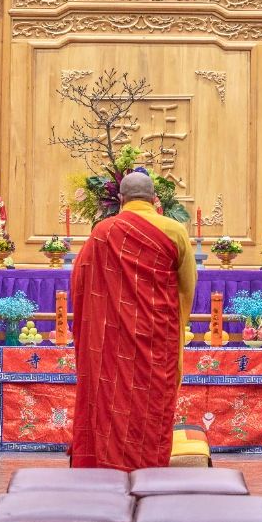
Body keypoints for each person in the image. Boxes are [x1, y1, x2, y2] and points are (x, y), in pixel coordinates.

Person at [69, 172, 197, 470]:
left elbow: (79, 281)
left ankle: (107, 467)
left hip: (109, 342)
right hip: (157, 339)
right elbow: (187, 286)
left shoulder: (102, 232)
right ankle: (149, 469)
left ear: (121, 200)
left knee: (111, 398)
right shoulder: (174, 230)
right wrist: (176, 327)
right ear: (156, 200)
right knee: (150, 405)